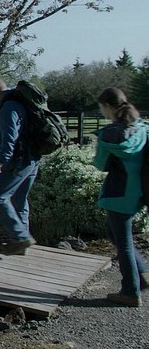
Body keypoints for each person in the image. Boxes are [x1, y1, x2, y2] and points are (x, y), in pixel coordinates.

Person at [93, 87, 149, 307]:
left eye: (101, 107)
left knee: (123, 242)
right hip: (138, 190)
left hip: (118, 192)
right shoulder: (140, 127)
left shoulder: (109, 134)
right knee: (113, 232)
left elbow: (100, 164)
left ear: (108, 106)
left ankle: (130, 292)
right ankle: (142, 273)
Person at [0, 77, 40, 255]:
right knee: (19, 200)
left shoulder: (8, 107)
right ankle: (22, 246)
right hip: (32, 160)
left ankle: (20, 237)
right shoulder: (21, 102)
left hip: (18, 161)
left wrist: (1, 159)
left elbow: (10, 136)